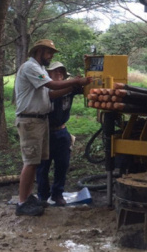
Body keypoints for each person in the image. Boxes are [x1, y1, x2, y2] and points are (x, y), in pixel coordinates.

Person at [14, 39, 92, 216]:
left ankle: (27, 198)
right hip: (30, 120)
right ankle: (21, 203)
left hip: (40, 121)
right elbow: (52, 85)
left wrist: (73, 87)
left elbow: (51, 93)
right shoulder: (30, 67)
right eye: (49, 53)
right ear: (39, 51)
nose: (50, 57)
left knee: (36, 162)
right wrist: (75, 81)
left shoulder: (40, 69)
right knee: (31, 162)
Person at [36, 61, 82, 207]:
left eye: (61, 72)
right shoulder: (45, 89)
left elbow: (85, 86)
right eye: (55, 72)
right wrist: (72, 85)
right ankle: (43, 196)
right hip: (45, 132)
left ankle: (57, 194)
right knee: (43, 165)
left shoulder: (70, 88)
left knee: (62, 164)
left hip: (62, 131)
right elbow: (53, 95)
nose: (59, 74)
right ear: (48, 75)